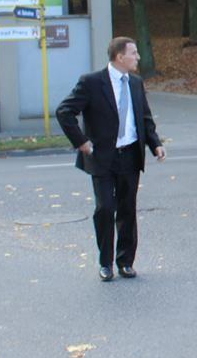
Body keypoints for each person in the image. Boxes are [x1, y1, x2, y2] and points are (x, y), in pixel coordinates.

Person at [56, 37, 166, 282]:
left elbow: (144, 119)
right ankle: (105, 262)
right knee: (105, 208)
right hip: (102, 157)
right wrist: (81, 141)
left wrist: (155, 144)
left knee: (127, 209)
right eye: (134, 53)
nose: (138, 57)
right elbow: (64, 111)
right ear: (119, 57)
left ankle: (125, 261)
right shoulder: (92, 83)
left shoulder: (136, 83)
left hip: (129, 155)